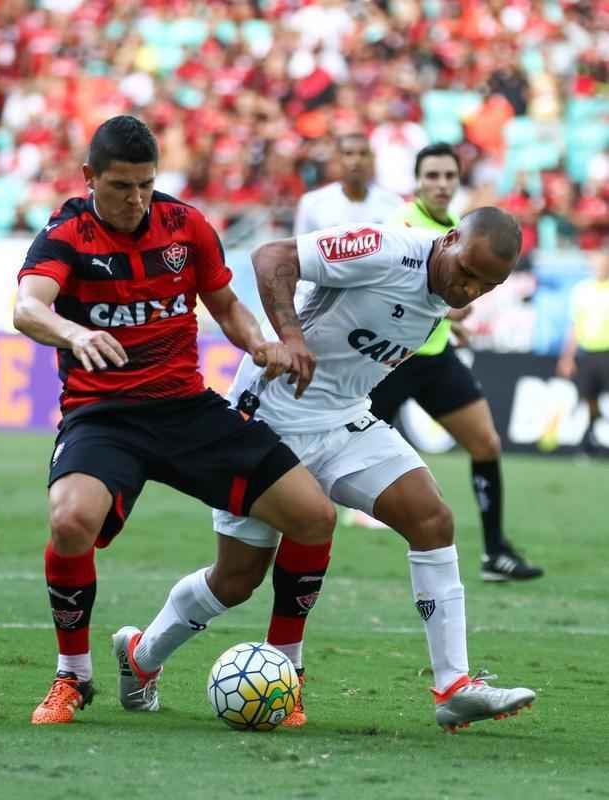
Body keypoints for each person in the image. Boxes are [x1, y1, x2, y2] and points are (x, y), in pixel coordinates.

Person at [116, 207, 536, 733]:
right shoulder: (385, 250)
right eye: (467, 272)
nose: (470, 288)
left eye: (486, 285)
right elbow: (271, 257)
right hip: (269, 417)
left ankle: (452, 688)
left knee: (432, 518)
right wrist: (291, 336)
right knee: (236, 580)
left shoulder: (447, 290)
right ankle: (141, 656)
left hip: (343, 421)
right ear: (449, 239)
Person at [14, 115, 336, 725]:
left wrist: (260, 344)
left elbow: (227, 306)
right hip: (103, 416)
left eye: (146, 184)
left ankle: (287, 673)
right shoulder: (66, 234)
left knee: (315, 517)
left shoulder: (185, 226)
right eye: (121, 186)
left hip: (186, 408)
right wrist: (75, 334)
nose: (136, 199)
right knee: (70, 519)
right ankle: (72, 676)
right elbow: (28, 308)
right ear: (89, 178)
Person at [368, 142, 543, 583]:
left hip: (434, 357)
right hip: (390, 360)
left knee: (486, 443)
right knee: (332, 454)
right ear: (417, 181)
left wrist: (449, 324)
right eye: (433, 175)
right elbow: (390, 285)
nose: (442, 184)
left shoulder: (457, 229)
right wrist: (447, 311)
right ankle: (281, 521)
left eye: (449, 176)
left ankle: (495, 552)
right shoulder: (404, 223)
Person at [556, 249, 609, 455]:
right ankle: (593, 430)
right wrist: (567, 357)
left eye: (604, 264)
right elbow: (574, 326)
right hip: (588, 353)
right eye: (598, 264)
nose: (600, 268)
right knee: (588, 397)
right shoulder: (582, 290)